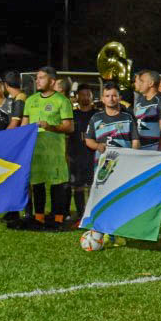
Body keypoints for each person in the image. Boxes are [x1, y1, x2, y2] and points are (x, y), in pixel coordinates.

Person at [19, 66, 75, 230]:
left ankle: (58, 219)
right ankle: (39, 218)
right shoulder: (30, 100)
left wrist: (50, 126)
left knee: (57, 185)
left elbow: (69, 127)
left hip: (55, 153)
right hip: (35, 153)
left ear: (52, 81)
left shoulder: (62, 101)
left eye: (41, 78)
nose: (37, 81)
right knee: (37, 185)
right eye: (37, 78)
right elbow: (24, 125)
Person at [83, 81, 138, 162]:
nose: (111, 99)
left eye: (114, 96)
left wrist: (133, 158)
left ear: (120, 98)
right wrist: (97, 146)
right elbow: (88, 140)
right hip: (102, 166)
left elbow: (136, 141)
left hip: (124, 164)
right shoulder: (96, 118)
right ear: (102, 99)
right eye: (107, 96)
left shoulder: (128, 118)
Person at [66, 83, 97, 220]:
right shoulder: (72, 115)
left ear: (92, 97)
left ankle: (91, 213)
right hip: (76, 154)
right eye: (82, 95)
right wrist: (66, 153)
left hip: (93, 155)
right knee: (78, 185)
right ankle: (80, 214)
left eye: (88, 95)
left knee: (93, 185)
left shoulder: (97, 115)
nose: (85, 97)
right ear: (77, 97)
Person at [132, 69, 161, 159]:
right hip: (139, 150)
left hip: (153, 152)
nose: (140, 83)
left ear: (151, 83)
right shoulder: (140, 100)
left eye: (142, 81)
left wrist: (159, 155)